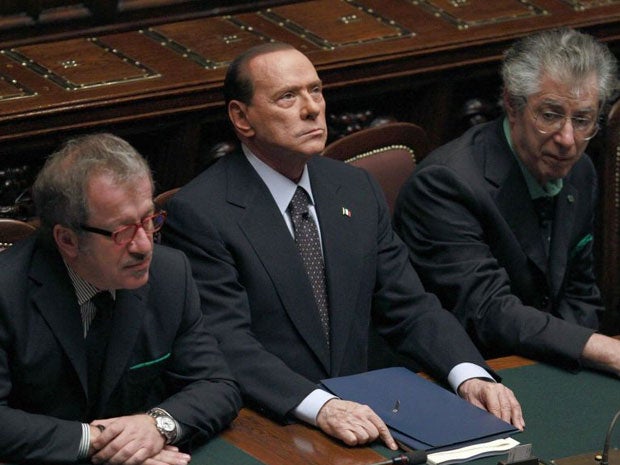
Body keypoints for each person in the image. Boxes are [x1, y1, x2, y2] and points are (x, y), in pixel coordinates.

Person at [163, 42, 524, 451]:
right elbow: (228, 343)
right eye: (287, 96)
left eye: (315, 91)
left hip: (366, 418)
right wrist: (322, 407)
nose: (312, 108)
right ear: (241, 118)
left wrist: (468, 373)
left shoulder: (354, 187)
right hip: (268, 423)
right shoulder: (202, 212)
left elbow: (408, 305)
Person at [0, 133, 242, 464]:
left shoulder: (170, 274)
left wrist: (156, 426)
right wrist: (106, 443)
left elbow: (217, 385)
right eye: (122, 231)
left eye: (148, 219)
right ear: (68, 240)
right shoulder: (6, 291)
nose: (144, 245)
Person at [393, 28, 620, 375]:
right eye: (550, 115)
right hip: (472, 372)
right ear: (513, 105)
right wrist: (599, 349)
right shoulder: (446, 183)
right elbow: (488, 311)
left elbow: (580, 291)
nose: (568, 139)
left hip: (550, 361)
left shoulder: (580, 170)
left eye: (583, 120)